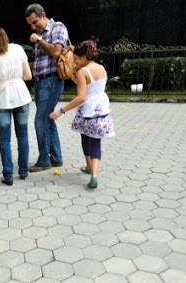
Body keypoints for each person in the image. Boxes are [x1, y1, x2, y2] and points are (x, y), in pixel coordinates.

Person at [50, 40, 115, 189]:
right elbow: (93, 87)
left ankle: (88, 165)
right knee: (96, 142)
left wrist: (61, 111)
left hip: (88, 111)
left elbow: (81, 97)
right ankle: (94, 175)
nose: (75, 62)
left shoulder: (82, 72)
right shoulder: (101, 68)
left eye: (77, 59)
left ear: (84, 57)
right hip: (102, 109)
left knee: (85, 137)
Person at [0, 27, 32, 186]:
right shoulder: (18, 49)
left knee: (4, 139)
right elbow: (28, 75)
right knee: (22, 135)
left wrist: (1, 82)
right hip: (21, 95)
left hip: (2, 98)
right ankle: (23, 170)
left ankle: (8, 175)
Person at [25, 3, 69, 172]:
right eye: (30, 24)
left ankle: (44, 160)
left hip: (52, 81)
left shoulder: (57, 27)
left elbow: (56, 52)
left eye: (35, 22)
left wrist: (39, 39)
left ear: (43, 14)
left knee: (40, 121)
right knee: (48, 119)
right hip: (41, 82)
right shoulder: (41, 34)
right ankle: (56, 158)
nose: (33, 27)